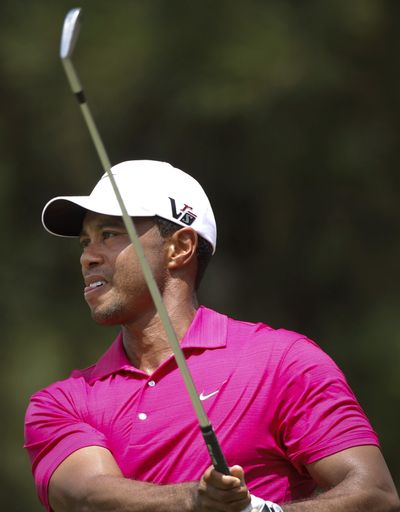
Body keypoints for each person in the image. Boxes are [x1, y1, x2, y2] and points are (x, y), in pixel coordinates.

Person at [25, 160, 399, 512]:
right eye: (84, 242)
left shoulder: (282, 361)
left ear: (180, 248)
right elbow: (86, 496)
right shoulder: (62, 401)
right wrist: (195, 500)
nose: (87, 257)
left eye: (109, 234)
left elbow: (375, 493)